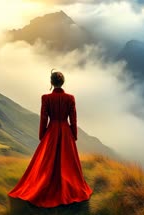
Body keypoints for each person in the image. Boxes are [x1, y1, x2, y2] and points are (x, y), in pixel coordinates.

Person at [8, 70, 93, 207]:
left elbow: (43, 118)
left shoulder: (46, 98)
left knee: (48, 160)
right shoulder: (70, 98)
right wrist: (74, 135)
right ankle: (67, 186)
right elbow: (73, 119)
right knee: (67, 161)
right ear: (63, 82)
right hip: (66, 131)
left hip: (52, 131)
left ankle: (47, 184)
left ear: (51, 83)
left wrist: (43, 135)